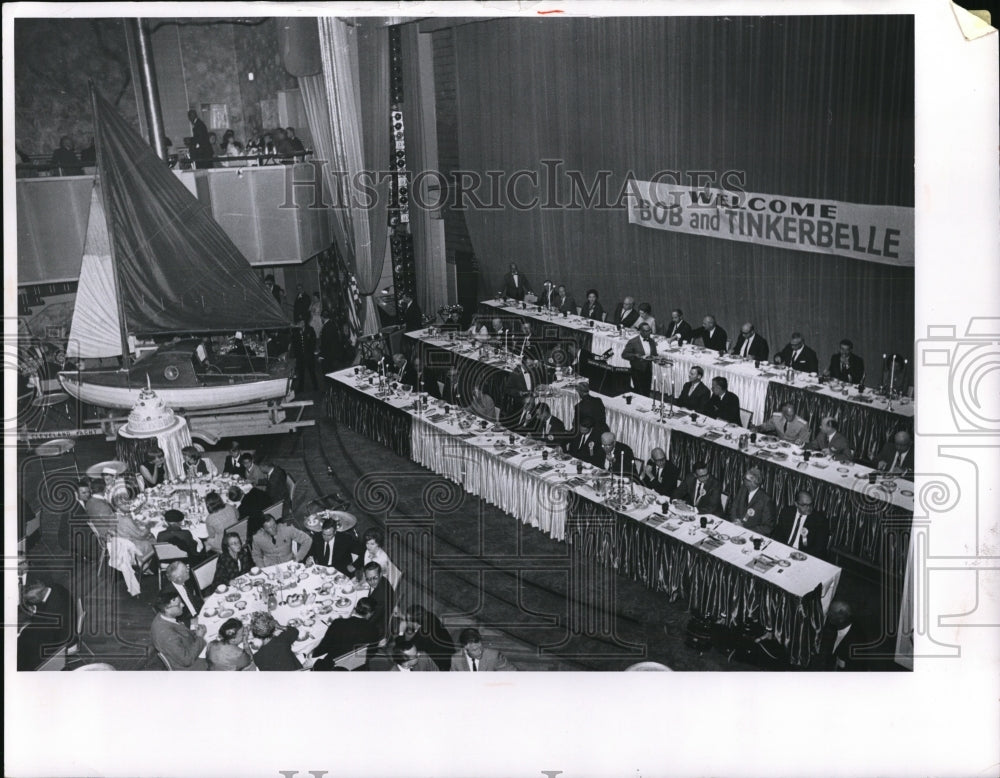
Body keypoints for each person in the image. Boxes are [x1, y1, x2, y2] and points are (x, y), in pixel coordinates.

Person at [18, 581, 78, 670]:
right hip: (63, 627)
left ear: (38, 597)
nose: (30, 603)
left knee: (29, 650)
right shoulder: (54, 587)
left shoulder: (54, 609)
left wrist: (26, 627)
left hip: (64, 639)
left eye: (30, 600)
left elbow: (47, 632)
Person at [311, 598, 382, 670]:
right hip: (356, 667)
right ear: (370, 613)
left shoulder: (337, 623)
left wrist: (313, 654)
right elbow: (371, 653)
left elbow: (324, 647)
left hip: (333, 666)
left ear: (356, 608)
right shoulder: (374, 630)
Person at [150, 590, 207, 670]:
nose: (183, 605)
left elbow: (181, 632)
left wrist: (195, 632)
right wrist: (200, 637)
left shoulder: (162, 616)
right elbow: (187, 660)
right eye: (178, 604)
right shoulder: (166, 634)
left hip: (188, 647)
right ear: (167, 609)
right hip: (191, 666)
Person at [397, 604, 456, 671]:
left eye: (407, 620)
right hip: (451, 654)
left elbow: (402, 651)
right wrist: (401, 615)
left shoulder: (421, 638)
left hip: (441, 668)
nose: (406, 622)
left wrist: (401, 632)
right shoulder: (431, 616)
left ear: (415, 623)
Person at [772, 491, 830, 560]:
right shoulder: (787, 512)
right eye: (804, 505)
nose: (808, 508)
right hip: (784, 551)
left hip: (804, 556)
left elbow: (819, 548)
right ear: (796, 504)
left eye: (810, 504)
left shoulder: (820, 520)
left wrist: (799, 555)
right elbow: (778, 534)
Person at [815, 600, 869, 671]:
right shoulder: (830, 629)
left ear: (841, 617)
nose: (827, 614)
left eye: (831, 612)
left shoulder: (858, 640)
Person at [726, 468, 777, 535]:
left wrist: (745, 529)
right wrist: (735, 520)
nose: (743, 480)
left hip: (750, 534)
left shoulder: (766, 500)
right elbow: (734, 506)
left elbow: (767, 528)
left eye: (745, 479)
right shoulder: (743, 489)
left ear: (753, 483)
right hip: (735, 526)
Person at [450, 627, 516, 671]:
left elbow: (514, 673)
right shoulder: (456, 660)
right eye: (475, 650)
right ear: (465, 647)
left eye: (480, 648)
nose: (480, 652)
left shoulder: (493, 656)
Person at [621, 321, 658, 396]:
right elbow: (624, 354)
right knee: (638, 392)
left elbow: (654, 354)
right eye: (646, 331)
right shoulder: (633, 342)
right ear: (640, 331)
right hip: (637, 371)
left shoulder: (651, 341)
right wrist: (635, 355)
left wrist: (657, 359)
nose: (649, 333)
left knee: (647, 391)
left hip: (648, 370)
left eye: (649, 330)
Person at [362, 561, 396, 640]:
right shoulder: (383, 580)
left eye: (375, 578)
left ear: (380, 574)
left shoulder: (379, 596)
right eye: (368, 579)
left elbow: (371, 619)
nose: (372, 582)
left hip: (378, 627)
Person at [374, 636, 439, 672]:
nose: (419, 654)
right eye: (415, 655)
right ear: (406, 662)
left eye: (417, 652)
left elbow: (437, 676)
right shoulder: (392, 675)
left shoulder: (424, 657)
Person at [292, 317, 318, 391]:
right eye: (300, 323)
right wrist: (297, 355)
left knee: (312, 371)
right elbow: (294, 344)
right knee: (301, 372)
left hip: (309, 355)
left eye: (303, 322)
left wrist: (311, 352)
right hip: (300, 356)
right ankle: (301, 388)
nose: (302, 324)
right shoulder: (295, 331)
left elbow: (313, 341)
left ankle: (316, 387)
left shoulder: (310, 330)